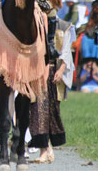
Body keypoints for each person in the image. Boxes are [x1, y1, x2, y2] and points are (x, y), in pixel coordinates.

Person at [29, 18, 75, 163]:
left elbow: (66, 51)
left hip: (55, 73)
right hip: (37, 72)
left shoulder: (63, 26)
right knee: (38, 111)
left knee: (52, 112)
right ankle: (43, 150)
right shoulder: (31, 23)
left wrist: (61, 70)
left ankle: (49, 148)